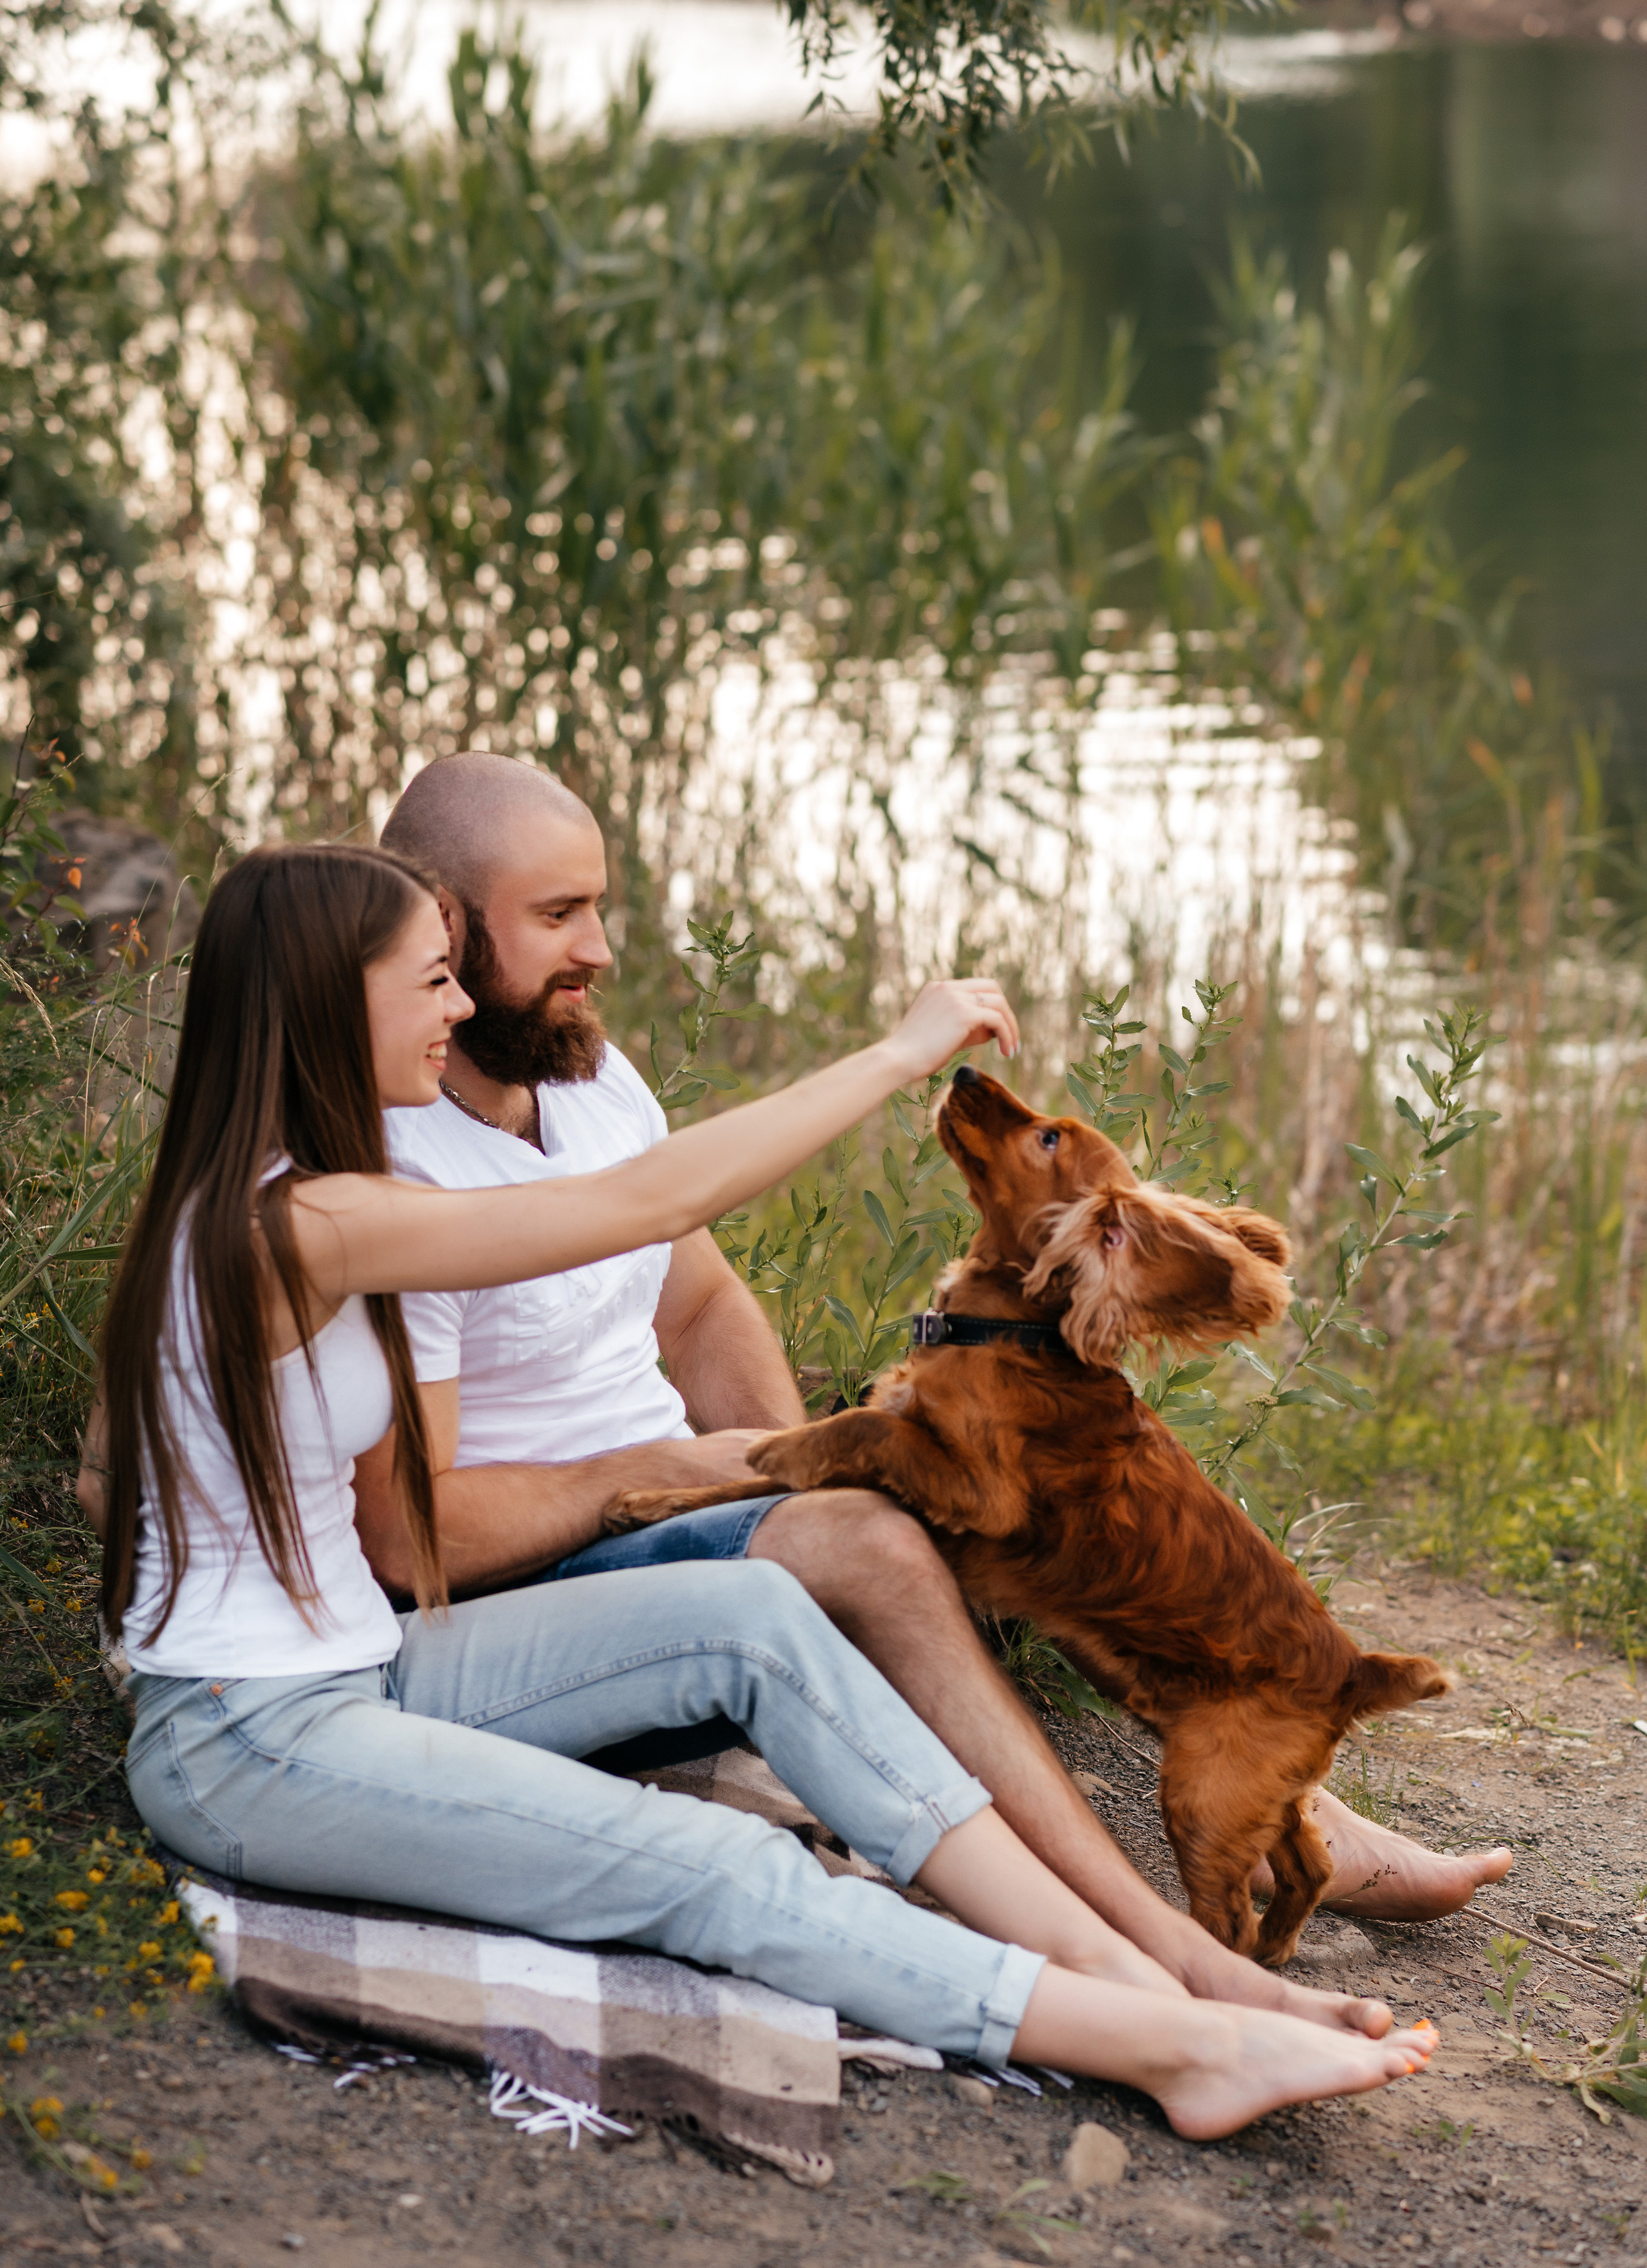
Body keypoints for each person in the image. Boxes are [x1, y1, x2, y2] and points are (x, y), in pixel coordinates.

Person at [80, 841, 1435, 2142]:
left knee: (752, 1617)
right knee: (720, 1870)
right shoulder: (312, 1222)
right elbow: (653, 1200)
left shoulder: (267, 1195)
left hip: (361, 1667)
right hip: (250, 1740)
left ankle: (1149, 1972)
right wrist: (903, 1052)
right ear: (332, 999)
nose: (455, 1002)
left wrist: (197, 1556)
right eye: (428, 977)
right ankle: (1175, 2048)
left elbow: (102, 1472)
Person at [355, 755, 1510, 1989]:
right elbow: (406, 1540)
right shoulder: (382, 1163)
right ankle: (1149, 1944)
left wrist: (783, 1479)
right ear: (441, 917)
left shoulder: (589, 1077)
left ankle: (1296, 1797)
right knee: (884, 1537)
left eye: (598, 906)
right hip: (540, 1582)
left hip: (685, 1503)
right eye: (557, 917)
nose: (601, 949)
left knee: (1048, 1470)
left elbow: (697, 1305)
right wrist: (697, 1482)